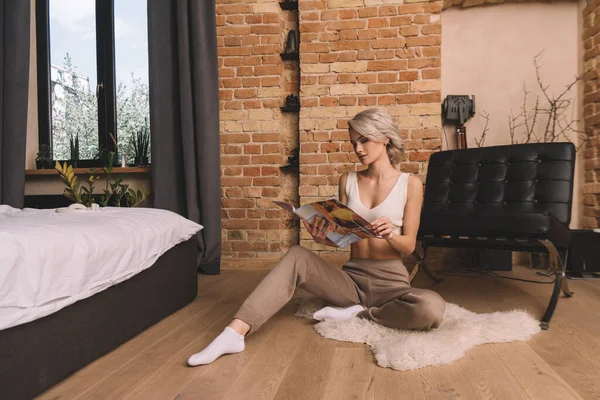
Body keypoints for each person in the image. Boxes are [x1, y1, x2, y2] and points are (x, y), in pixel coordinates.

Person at [187, 108, 446, 366]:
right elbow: (343, 237)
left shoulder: (410, 184)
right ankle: (234, 332)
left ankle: (360, 315)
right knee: (298, 255)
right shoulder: (348, 180)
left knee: (431, 308)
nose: (358, 149)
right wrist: (322, 236)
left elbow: (409, 245)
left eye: (364, 140)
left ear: (384, 138)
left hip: (392, 284)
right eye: (354, 142)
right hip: (350, 281)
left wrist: (390, 234)